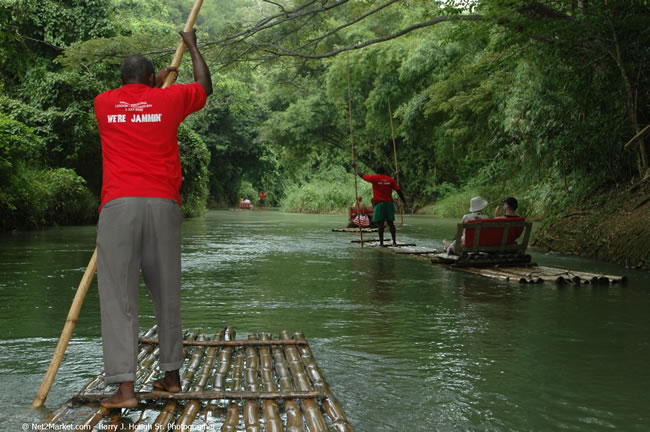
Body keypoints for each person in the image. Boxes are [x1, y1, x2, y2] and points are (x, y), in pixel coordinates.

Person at [93, 29, 212, 409]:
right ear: (150, 80)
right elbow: (204, 86)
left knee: (119, 299)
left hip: (118, 208)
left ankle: (125, 391)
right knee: (167, 294)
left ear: (121, 81)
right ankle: (172, 378)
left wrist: (153, 83)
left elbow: (136, 99)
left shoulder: (102, 103)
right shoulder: (171, 100)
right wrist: (192, 45)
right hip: (163, 205)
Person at [353, 163, 407, 247]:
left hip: (379, 204)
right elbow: (398, 190)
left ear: (377, 172)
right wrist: (404, 202)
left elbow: (361, 174)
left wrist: (356, 167)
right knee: (391, 223)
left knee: (380, 224)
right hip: (389, 203)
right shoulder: (390, 180)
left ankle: (381, 244)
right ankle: (394, 242)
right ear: (384, 172)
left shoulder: (374, 178)